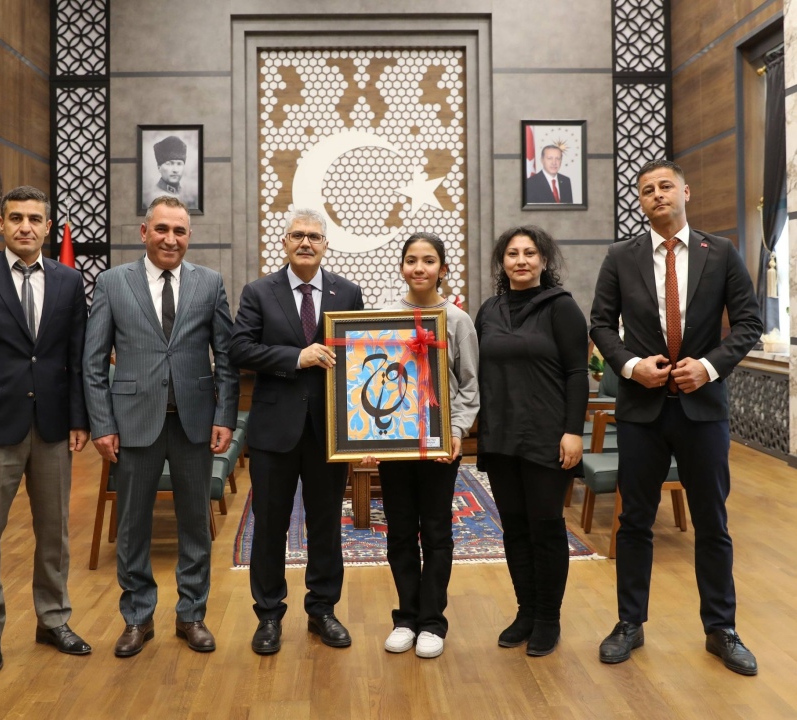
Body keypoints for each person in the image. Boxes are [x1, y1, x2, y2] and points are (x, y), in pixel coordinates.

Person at [590, 159, 763, 675]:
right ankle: (629, 623)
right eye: (647, 190)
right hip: (641, 412)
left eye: (666, 186)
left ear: (685, 192)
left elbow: (748, 322)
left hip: (703, 411)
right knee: (634, 521)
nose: (657, 195)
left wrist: (708, 367)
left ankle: (721, 628)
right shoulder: (620, 257)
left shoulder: (721, 252)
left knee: (712, 522)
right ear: (641, 201)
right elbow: (601, 325)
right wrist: (631, 366)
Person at [0, 185, 92, 674]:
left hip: (53, 427)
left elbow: (75, 358)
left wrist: (79, 419)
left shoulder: (70, 281)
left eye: (33, 219)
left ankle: (53, 619)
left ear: (48, 227)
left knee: (55, 532)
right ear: (2, 224)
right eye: (15, 218)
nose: (25, 227)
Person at [83, 195, 239, 658]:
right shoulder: (112, 283)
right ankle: (137, 617)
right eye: (162, 229)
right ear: (144, 232)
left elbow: (226, 358)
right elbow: (93, 362)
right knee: (133, 526)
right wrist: (102, 424)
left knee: (195, 525)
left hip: (195, 423)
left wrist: (224, 417)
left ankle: (192, 615)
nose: (171, 239)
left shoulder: (209, 283)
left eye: (180, 231)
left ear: (189, 236)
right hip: (133, 424)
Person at [229, 208, 364, 655]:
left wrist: (364, 432)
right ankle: (268, 615)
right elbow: (240, 348)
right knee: (270, 525)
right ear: (284, 242)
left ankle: (322, 609)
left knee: (326, 524)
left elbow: (360, 359)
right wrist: (295, 358)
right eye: (298, 235)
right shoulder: (259, 292)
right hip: (274, 430)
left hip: (330, 432)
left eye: (314, 236)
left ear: (326, 245)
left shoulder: (348, 292)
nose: (306, 242)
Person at [360, 232, 480, 659]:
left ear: (442, 269)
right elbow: (367, 379)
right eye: (411, 260)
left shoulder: (458, 321)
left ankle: (432, 622)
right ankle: (405, 619)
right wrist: (366, 435)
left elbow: (469, 385)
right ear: (401, 267)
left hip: (440, 445)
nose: (419, 268)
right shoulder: (384, 316)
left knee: (436, 530)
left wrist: (457, 430)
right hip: (395, 444)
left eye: (428, 261)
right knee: (399, 531)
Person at [475, 225, 589, 656]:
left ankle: (548, 618)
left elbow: (577, 373)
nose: (520, 260)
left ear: (543, 260)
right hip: (500, 435)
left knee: (545, 526)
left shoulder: (561, 307)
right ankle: (525, 611)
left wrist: (573, 431)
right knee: (514, 527)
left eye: (529, 253)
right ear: (502, 262)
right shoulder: (488, 310)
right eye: (512, 253)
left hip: (548, 435)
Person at [145, 135, 200, 210]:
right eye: (169, 164)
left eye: (179, 164)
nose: (175, 170)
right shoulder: (152, 197)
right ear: (159, 167)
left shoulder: (188, 195)